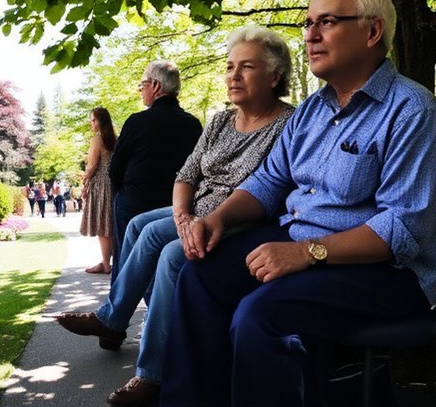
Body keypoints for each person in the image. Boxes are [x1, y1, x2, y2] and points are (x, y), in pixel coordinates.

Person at [161, 0, 436, 407]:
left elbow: (402, 230)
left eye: (327, 22)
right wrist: (217, 218)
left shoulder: (412, 112)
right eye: (308, 24)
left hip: (389, 274)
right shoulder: (313, 111)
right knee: (198, 278)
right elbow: (268, 181)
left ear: (373, 31)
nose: (310, 36)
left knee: (261, 316)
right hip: (304, 244)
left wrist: (306, 253)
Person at [56, 26, 295, 405]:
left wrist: (194, 221)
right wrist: (183, 215)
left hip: (242, 216)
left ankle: (147, 368)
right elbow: (187, 173)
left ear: (274, 76)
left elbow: (273, 190)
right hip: (198, 204)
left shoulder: (289, 124)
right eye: (230, 66)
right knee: (138, 225)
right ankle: (120, 319)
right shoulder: (218, 121)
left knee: (163, 248)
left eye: (246, 67)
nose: (233, 75)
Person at [108, 60, 203, 281]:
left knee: (125, 260)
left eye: (143, 85)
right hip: (174, 205)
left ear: (156, 86)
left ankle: (115, 311)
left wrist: (125, 193)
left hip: (135, 201)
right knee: (163, 266)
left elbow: (115, 169)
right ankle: (156, 312)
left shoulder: (137, 121)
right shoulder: (193, 124)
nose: (141, 90)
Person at [80, 107, 118, 274]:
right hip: (113, 185)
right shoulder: (115, 139)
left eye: (93, 120)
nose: (91, 124)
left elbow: (92, 166)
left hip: (100, 186)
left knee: (103, 227)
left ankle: (105, 264)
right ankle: (111, 261)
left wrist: (85, 181)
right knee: (110, 225)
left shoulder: (97, 139)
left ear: (101, 121)